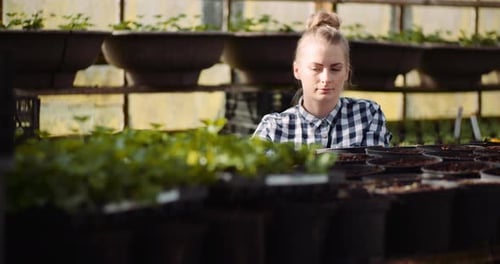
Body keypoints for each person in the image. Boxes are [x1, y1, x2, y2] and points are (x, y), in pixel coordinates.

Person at [253, 10, 392, 148]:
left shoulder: (367, 115)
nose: (326, 78)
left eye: (335, 69)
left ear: (346, 73)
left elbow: (374, 167)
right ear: (297, 70)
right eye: (316, 68)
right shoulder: (273, 128)